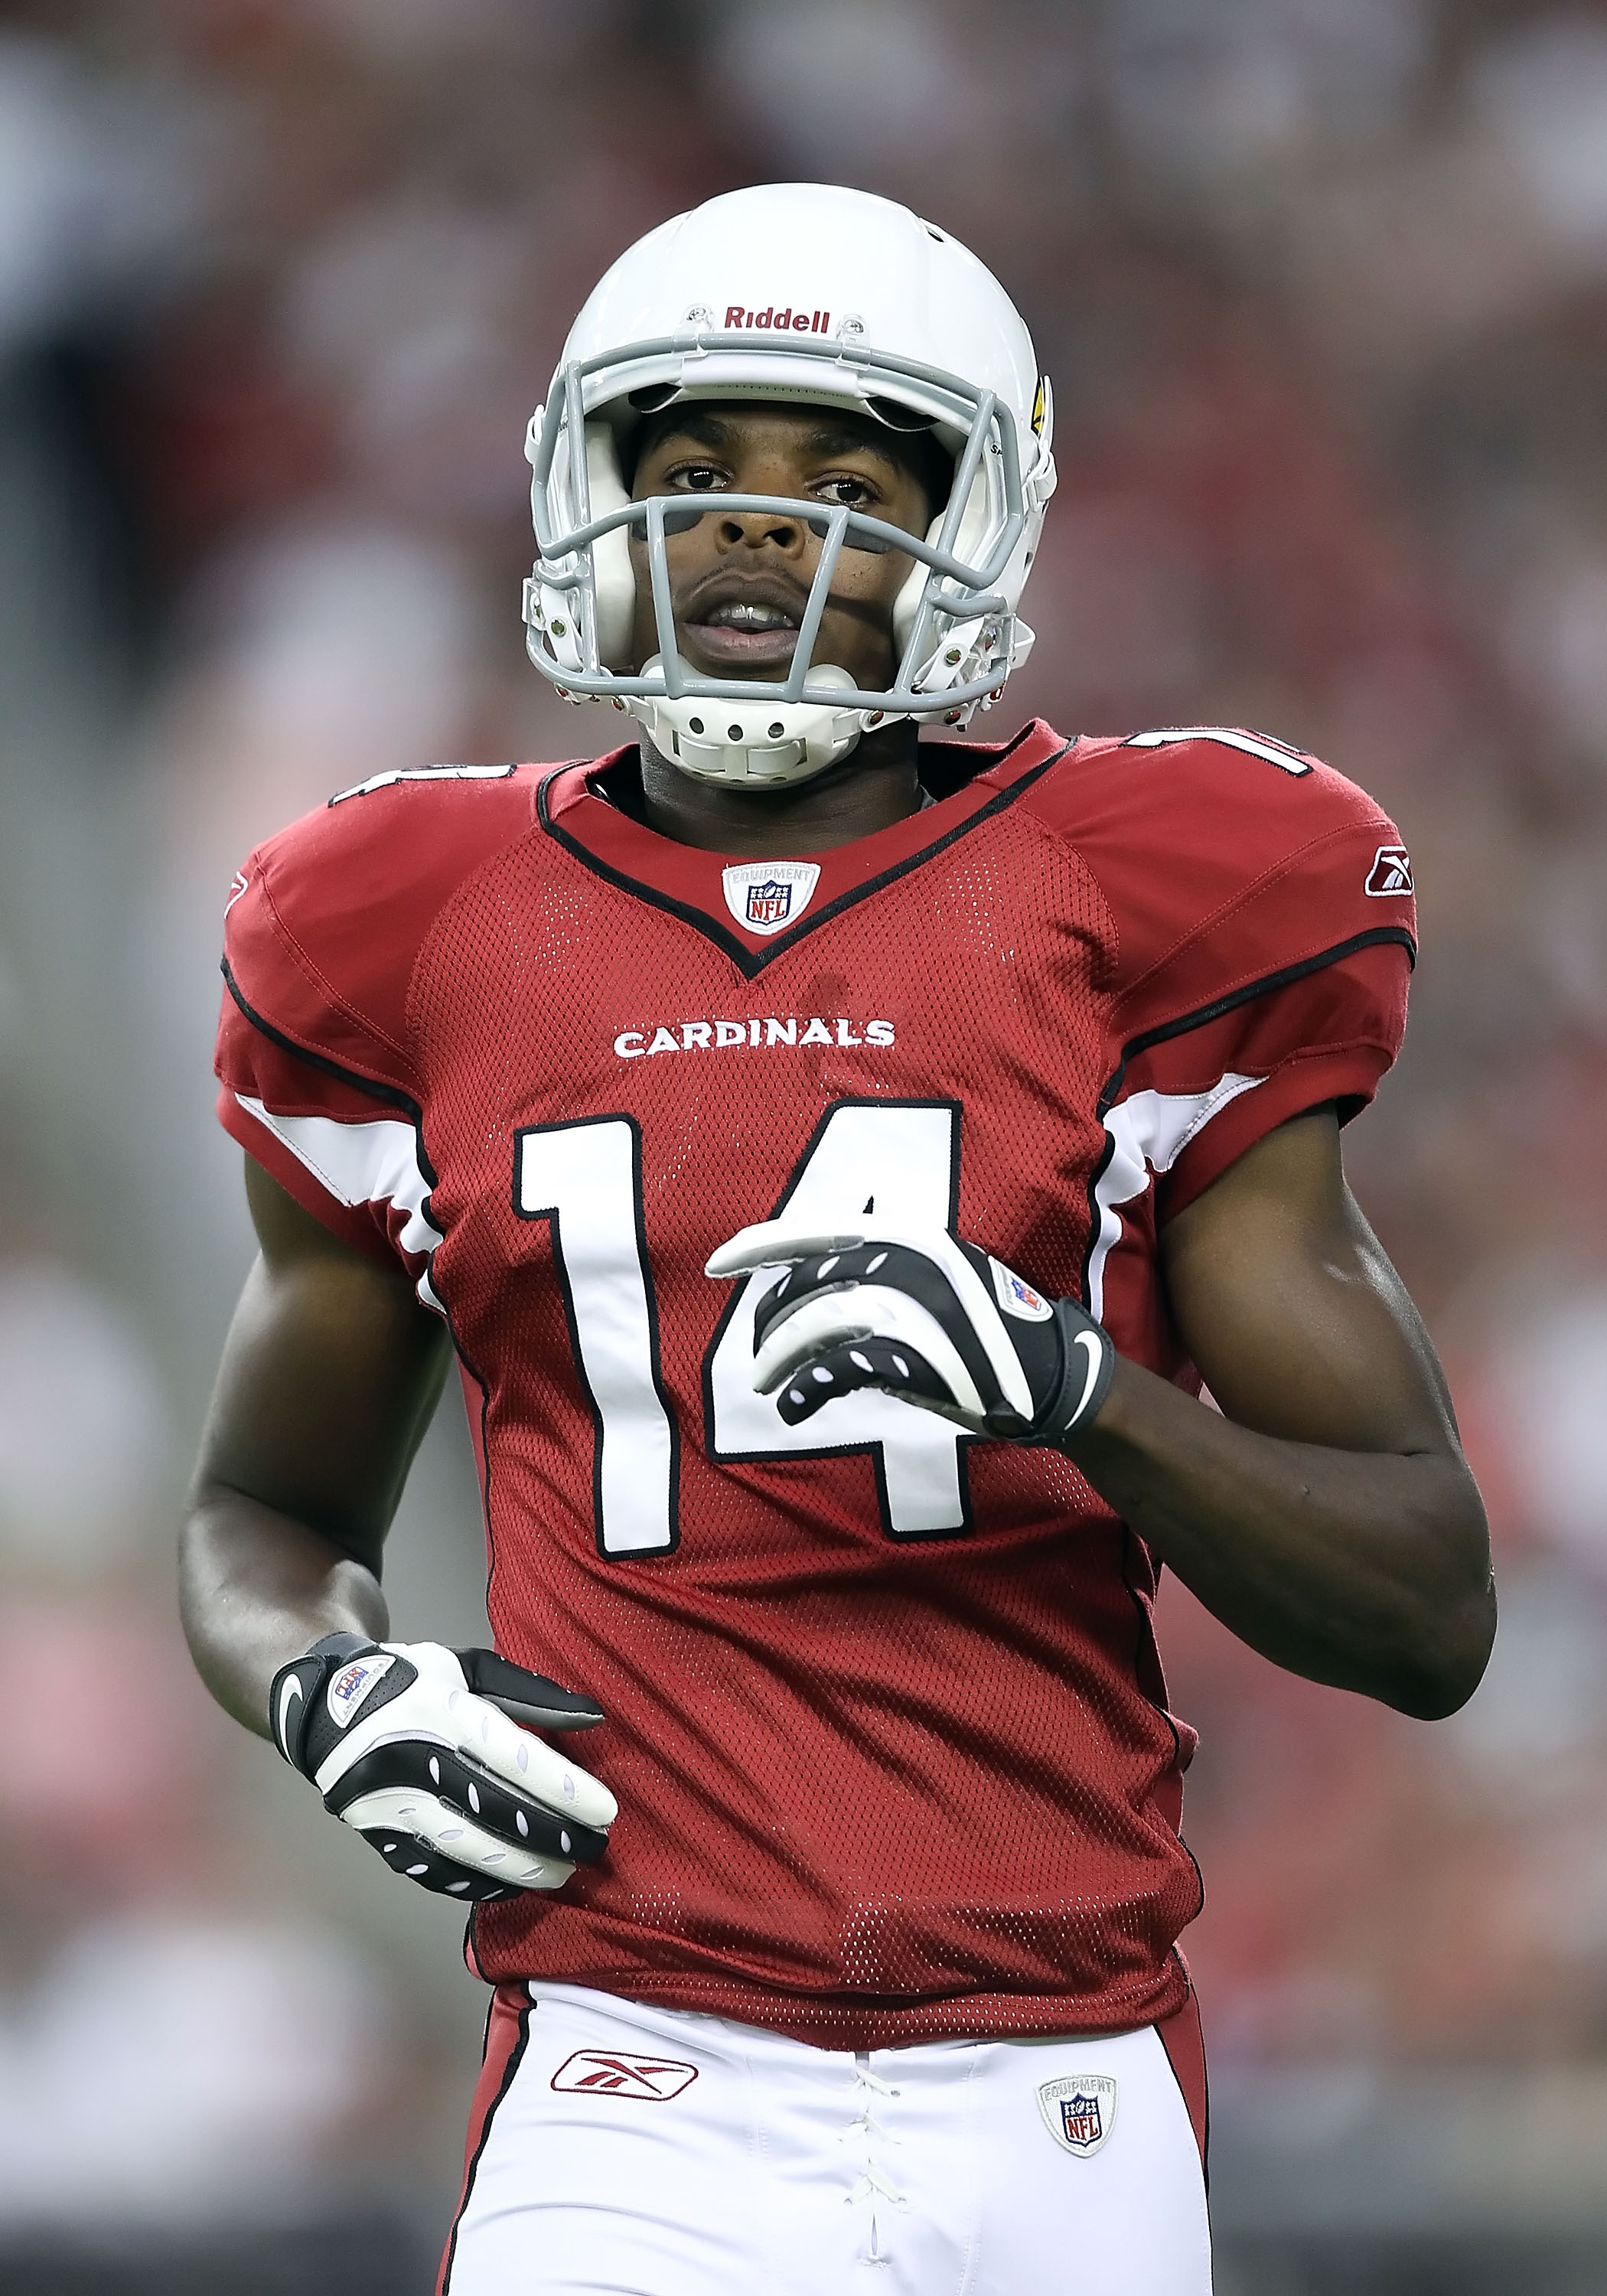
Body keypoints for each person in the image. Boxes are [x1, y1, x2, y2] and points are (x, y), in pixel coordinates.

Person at [181, 184, 1494, 2295]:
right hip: (637, 2061)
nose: (755, 532)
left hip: (1062, 2072)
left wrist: (1075, 1389)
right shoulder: (394, 915)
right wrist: (325, 1682)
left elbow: (1423, 1608)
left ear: (976, 520)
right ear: (582, 487)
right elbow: (258, 1508)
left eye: (843, 479)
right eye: (690, 470)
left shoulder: (1158, 891)